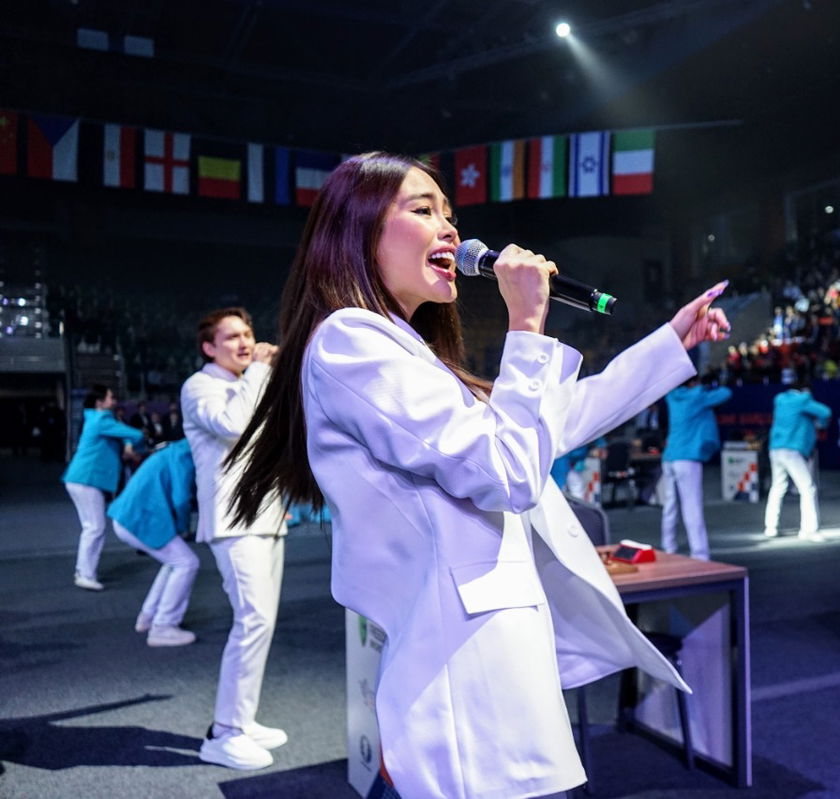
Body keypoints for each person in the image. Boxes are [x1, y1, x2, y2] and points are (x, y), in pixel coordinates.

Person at [223, 152, 732, 799]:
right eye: (423, 209)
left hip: (494, 672)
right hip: (465, 684)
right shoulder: (350, 341)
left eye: (450, 213)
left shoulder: (408, 354)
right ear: (358, 230)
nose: (451, 230)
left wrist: (670, 343)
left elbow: (555, 422)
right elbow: (509, 471)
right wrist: (525, 324)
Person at [181, 307, 288, 770]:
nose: (244, 343)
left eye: (248, 333)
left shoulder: (252, 382)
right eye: (231, 338)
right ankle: (224, 733)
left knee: (261, 624)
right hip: (233, 523)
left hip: (267, 517)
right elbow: (234, 425)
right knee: (253, 622)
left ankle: (241, 718)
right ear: (209, 348)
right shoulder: (199, 386)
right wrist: (263, 369)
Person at [107, 438, 200, 646]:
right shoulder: (186, 455)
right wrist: (183, 528)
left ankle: (148, 618)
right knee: (187, 563)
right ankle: (163, 627)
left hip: (128, 517)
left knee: (175, 562)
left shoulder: (176, 450)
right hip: (138, 519)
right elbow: (181, 498)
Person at [62, 384, 145, 591]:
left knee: (91, 527)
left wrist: (126, 445)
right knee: (95, 528)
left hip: (80, 478)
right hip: (87, 479)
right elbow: (135, 434)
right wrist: (129, 445)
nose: (114, 400)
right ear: (100, 402)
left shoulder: (96, 418)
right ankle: (85, 574)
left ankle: (83, 570)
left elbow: (124, 434)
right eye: (110, 397)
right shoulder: (102, 419)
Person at [660, 374, 732, 560]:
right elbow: (726, 393)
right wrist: (703, 388)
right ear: (693, 383)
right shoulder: (698, 397)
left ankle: (668, 546)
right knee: (692, 506)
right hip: (687, 458)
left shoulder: (671, 397)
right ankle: (700, 553)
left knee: (670, 505)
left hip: (669, 456)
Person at [763, 381, 831, 541]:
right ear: (804, 390)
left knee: (778, 487)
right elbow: (826, 412)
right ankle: (809, 530)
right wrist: (820, 423)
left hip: (775, 448)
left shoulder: (779, 400)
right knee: (808, 488)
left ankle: (770, 527)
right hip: (792, 450)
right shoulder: (802, 400)